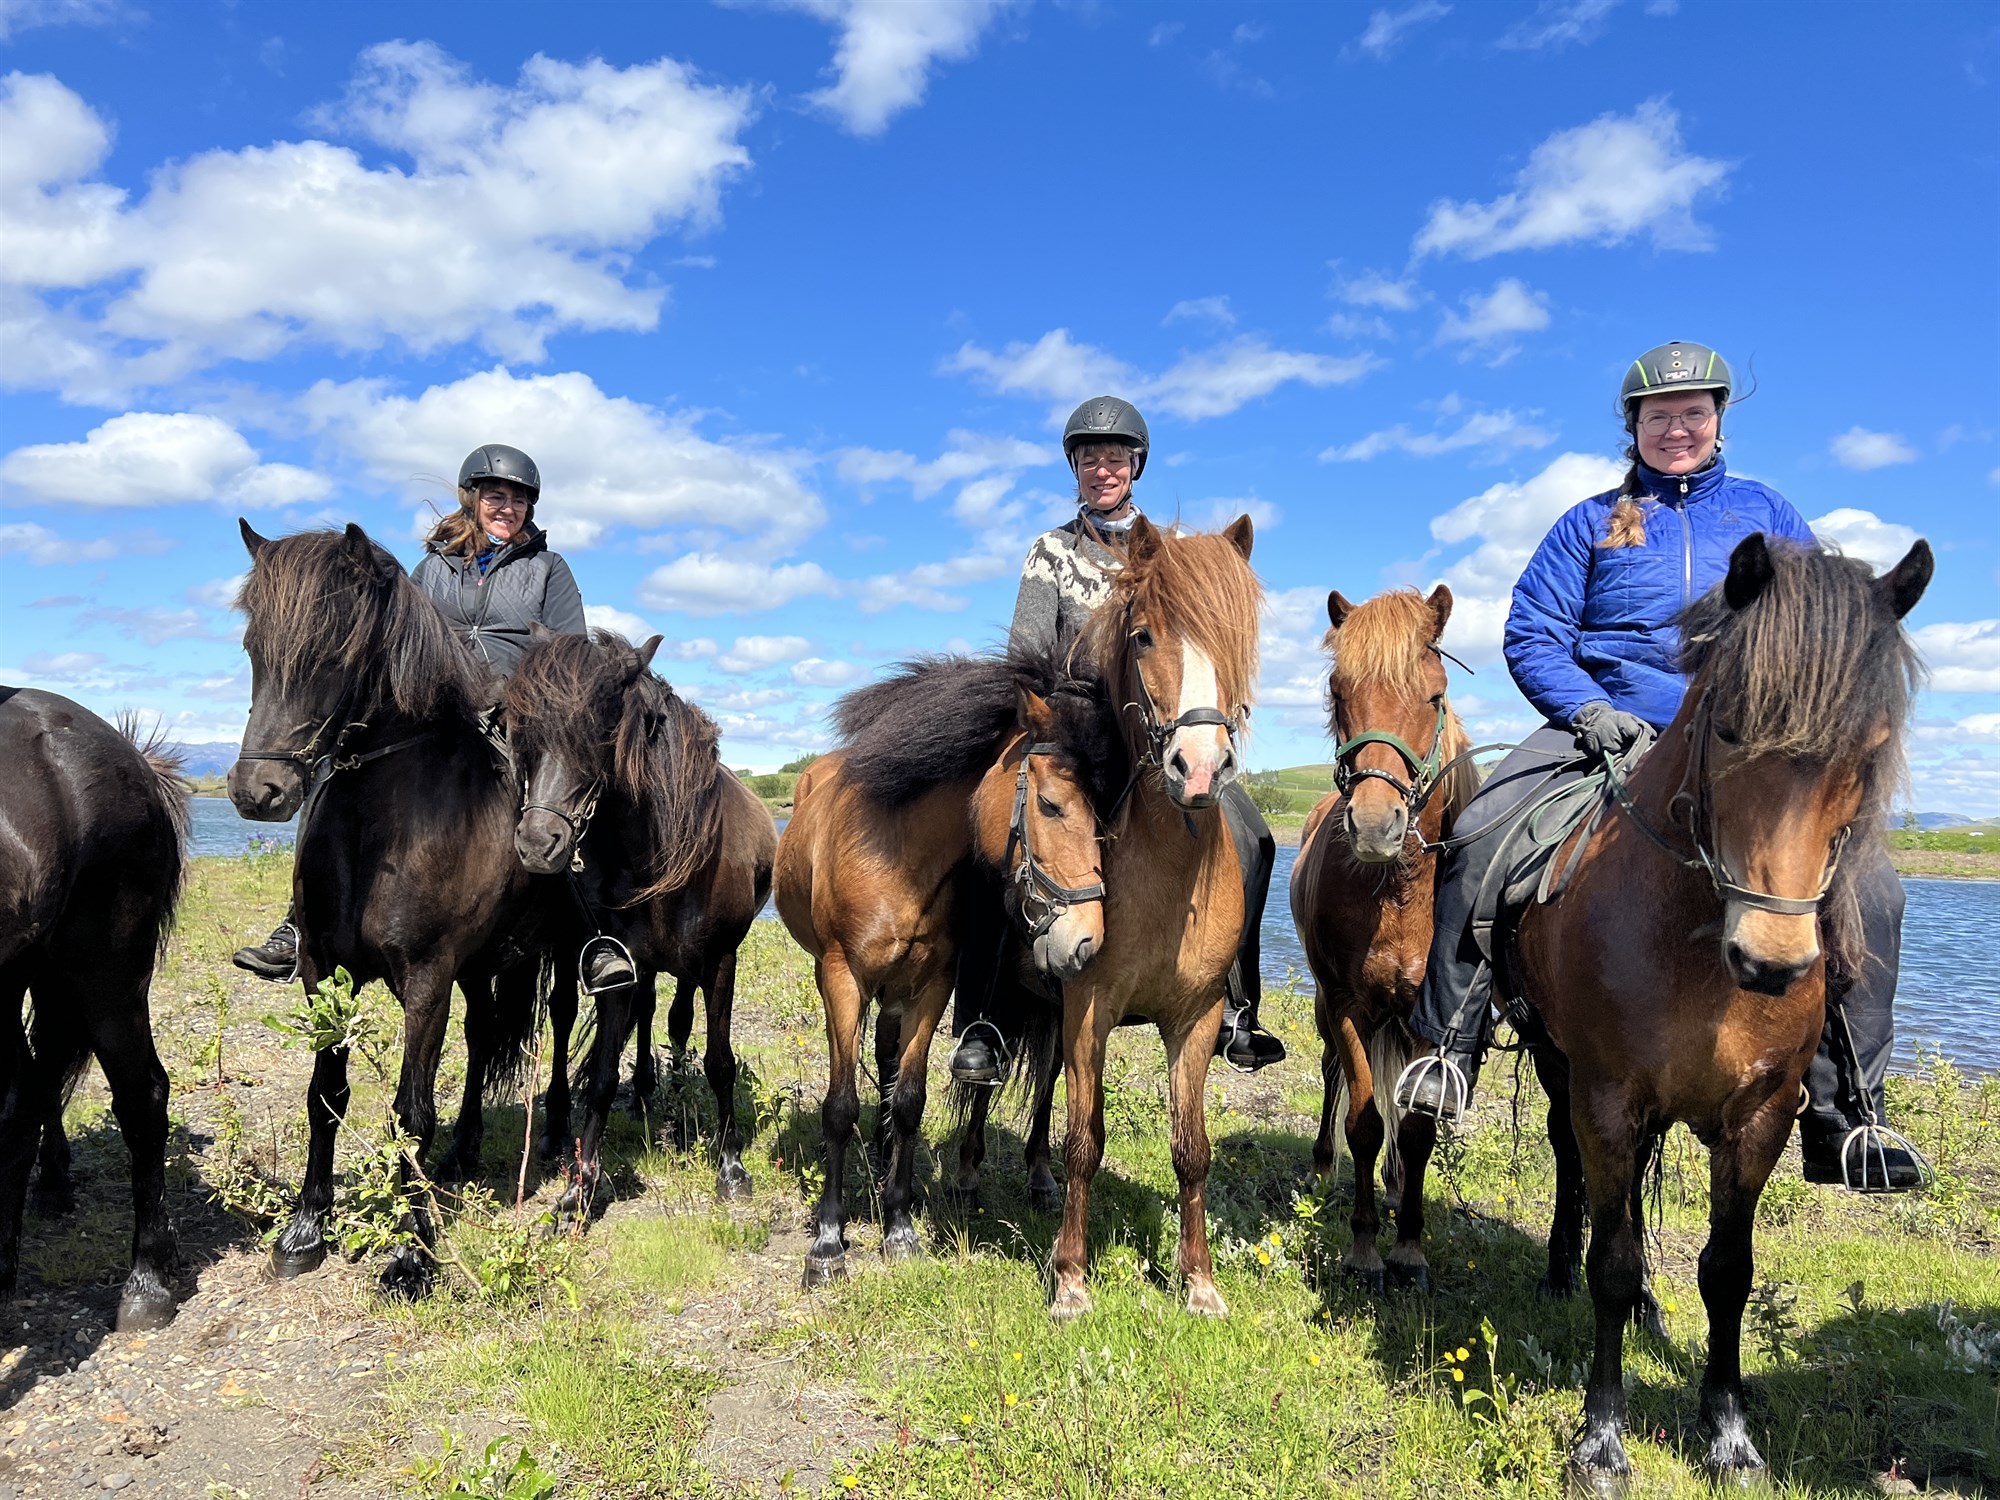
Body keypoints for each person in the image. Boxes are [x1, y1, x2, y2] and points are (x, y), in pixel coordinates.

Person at [1394, 342, 1924, 1191]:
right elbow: (1532, 631)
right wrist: (1589, 709)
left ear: (1718, 421)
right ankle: (1449, 1049)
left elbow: (1823, 631)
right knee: (1483, 828)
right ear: (1632, 426)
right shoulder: (1588, 522)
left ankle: (1847, 1114)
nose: (1676, 428)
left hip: (1747, 745)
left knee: (1876, 892)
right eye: (1658, 415)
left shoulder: (1771, 515)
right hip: (1605, 725)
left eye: (1693, 412)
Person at [946, 396, 1286, 1082]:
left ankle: (1239, 1009)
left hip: (1158, 731)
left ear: (1136, 466)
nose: (1104, 469)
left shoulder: (1173, 555)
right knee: (985, 838)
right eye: (1090, 458)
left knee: (1252, 830)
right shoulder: (1051, 553)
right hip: (1074, 732)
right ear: (1075, 468)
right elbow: (1026, 652)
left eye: (1116, 458)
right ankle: (982, 1017)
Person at [231, 444, 629, 989]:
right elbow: (400, 639)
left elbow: (568, 652)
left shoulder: (548, 569)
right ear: (472, 500)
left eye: (518, 499)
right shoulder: (433, 569)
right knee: (338, 768)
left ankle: (590, 936)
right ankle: (299, 921)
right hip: (436, 706)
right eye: (495, 496)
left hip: (516, 708)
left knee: (553, 796)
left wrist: (519, 691)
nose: (506, 507)